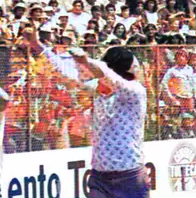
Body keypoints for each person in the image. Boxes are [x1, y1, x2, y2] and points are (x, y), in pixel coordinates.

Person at [25, 29, 149, 198]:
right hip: (100, 177)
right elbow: (66, 72)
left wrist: (86, 61)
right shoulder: (98, 90)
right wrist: (37, 45)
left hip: (129, 177)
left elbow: (110, 78)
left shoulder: (135, 92)